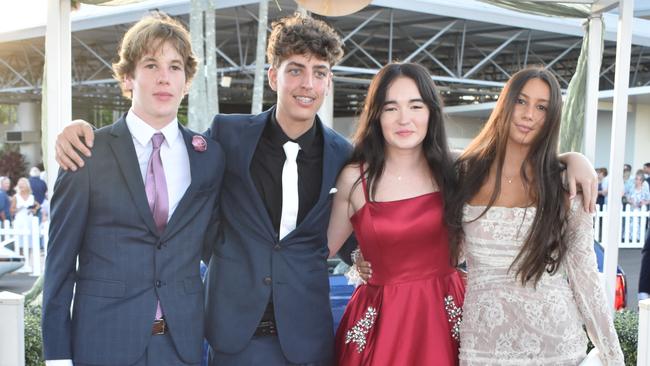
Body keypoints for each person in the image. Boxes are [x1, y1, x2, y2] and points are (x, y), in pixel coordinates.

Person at [54, 13, 348, 366]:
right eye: (296, 69)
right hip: (224, 335)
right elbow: (61, 265)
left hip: (301, 336)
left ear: (329, 82)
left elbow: (365, 213)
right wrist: (74, 127)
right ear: (273, 76)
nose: (307, 83)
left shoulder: (342, 154)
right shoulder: (226, 137)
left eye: (319, 72)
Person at [42, 13, 225, 366]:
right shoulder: (87, 153)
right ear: (128, 78)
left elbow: (218, 244)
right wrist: (58, 357)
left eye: (175, 67)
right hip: (102, 344)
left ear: (186, 82)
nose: (163, 78)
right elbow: (60, 265)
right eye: (151, 64)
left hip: (181, 346)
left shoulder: (209, 157)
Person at [445, 67, 623, 364]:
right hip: (483, 348)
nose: (529, 114)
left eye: (541, 107)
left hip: (557, 347)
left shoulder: (566, 184)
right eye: (521, 101)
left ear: (551, 117)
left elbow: (585, 278)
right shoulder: (462, 173)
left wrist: (613, 355)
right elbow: (445, 254)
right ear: (505, 103)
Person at [327, 62, 464, 365]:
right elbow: (320, 249)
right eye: (391, 108)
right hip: (381, 324)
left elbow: (521, 166)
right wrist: (356, 260)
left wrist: (573, 160)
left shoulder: (456, 170)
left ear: (431, 112)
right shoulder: (354, 177)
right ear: (376, 115)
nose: (404, 119)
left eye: (416, 106)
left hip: (447, 317)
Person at [11, 177, 38, 252]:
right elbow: (11, 210)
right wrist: (19, 208)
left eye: (22, 186)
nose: (21, 187)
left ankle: (28, 259)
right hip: (20, 221)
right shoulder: (16, 197)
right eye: (20, 186)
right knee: (19, 243)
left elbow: (37, 207)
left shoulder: (32, 197)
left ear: (27, 186)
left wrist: (33, 210)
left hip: (29, 220)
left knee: (30, 242)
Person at [624, 170, 650, 241]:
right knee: (629, 224)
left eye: (638, 179)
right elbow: (626, 197)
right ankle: (628, 238)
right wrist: (630, 200)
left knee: (639, 225)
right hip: (631, 209)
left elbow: (648, 200)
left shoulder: (644, 190)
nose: (637, 181)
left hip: (640, 210)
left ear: (642, 181)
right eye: (636, 179)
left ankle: (638, 239)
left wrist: (643, 202)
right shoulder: (632, 188)